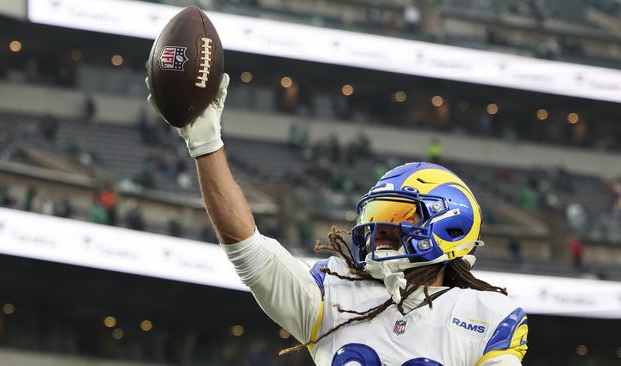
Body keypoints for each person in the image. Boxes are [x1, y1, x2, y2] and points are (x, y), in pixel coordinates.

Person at [147, 74, 528, 365]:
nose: (379, 229)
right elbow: (247, 248)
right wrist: (205, 144)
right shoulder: (335, 293)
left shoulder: (486, 318)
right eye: (376, 215)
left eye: (397, 215)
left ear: (451, 226)